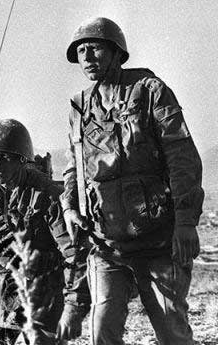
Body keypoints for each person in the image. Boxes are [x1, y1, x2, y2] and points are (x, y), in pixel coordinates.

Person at [61, 17, 204, 345]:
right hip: (106, 245)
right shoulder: (79, 107)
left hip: (158, 243)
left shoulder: (150, 91)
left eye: (95, 48)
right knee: (102, 332)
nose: (87, 57)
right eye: (81, 51)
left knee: (172, 334)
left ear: (116, 52)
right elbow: (74, 167)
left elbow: (182, 157)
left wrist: (186, 222)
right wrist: (69, 206)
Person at [0, 118, 90, 345]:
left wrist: (73, 306)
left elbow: (74, 254)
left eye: (4, 157)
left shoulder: (46, 194)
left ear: (21, 160)